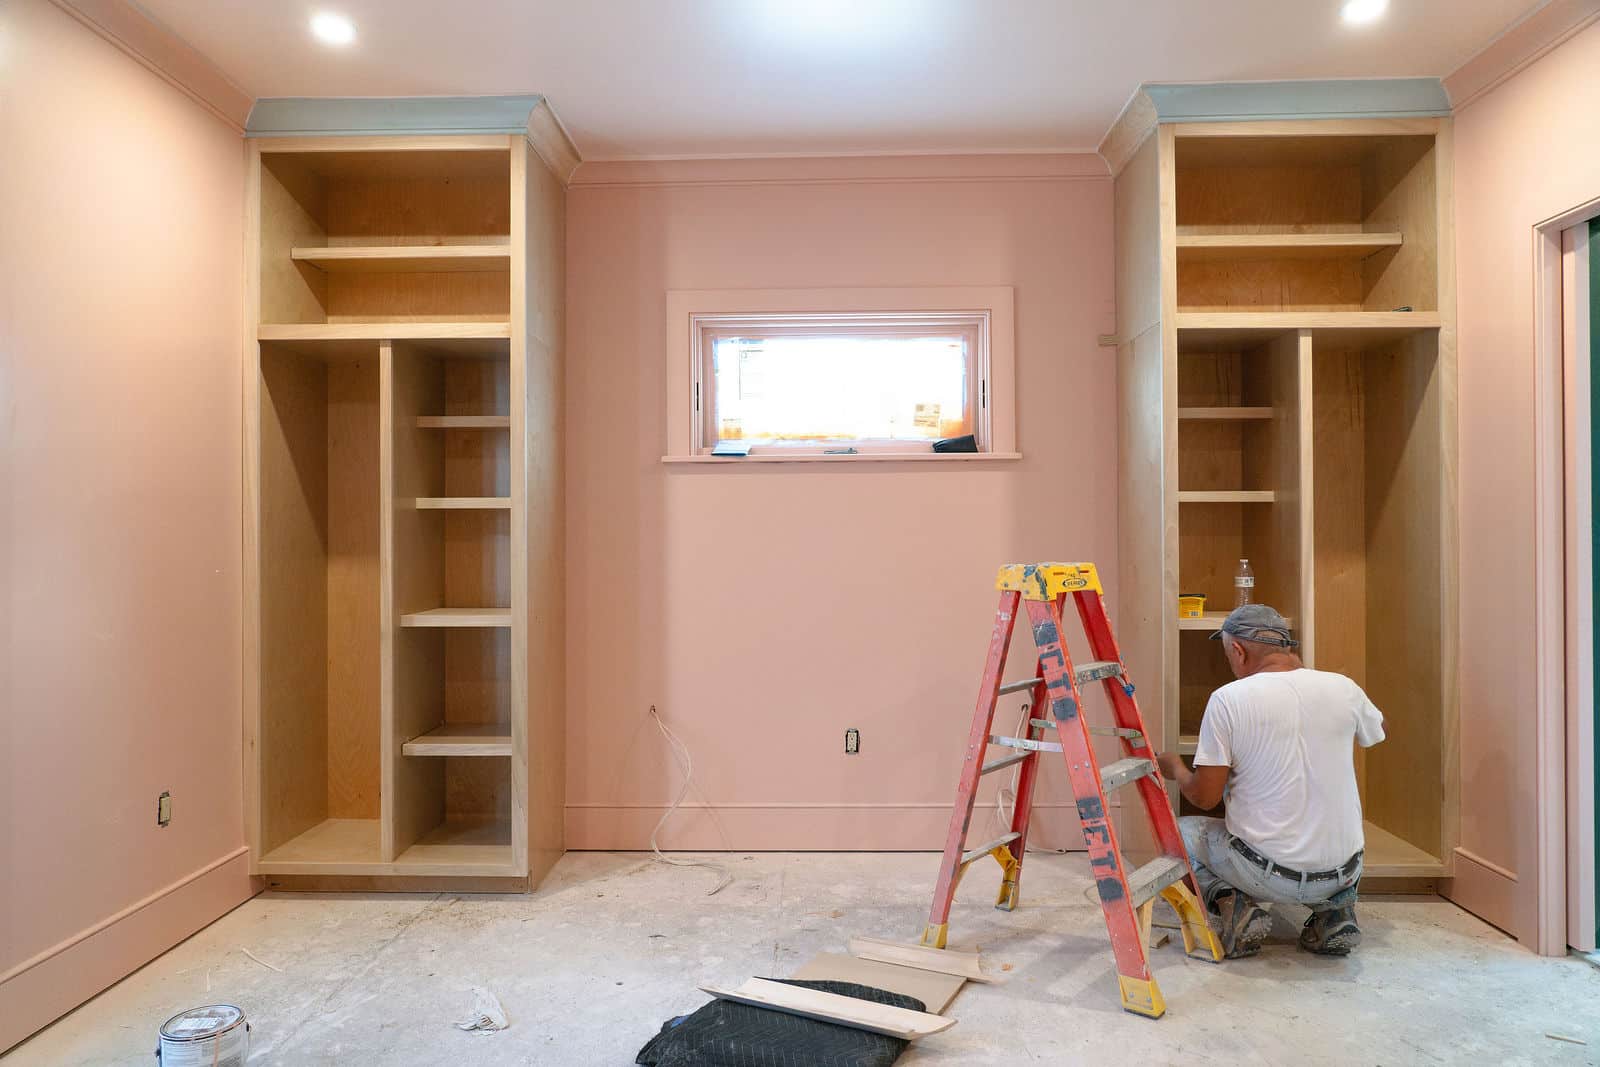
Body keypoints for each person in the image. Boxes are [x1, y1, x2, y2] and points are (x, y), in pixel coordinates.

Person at [1155, 603, 1385, 959]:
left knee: (1178, 832)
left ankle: (1236, 906)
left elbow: (1204, 797)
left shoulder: (1229, 699)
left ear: (1238, 650)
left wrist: (1176, 768)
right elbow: (1375, 733)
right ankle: (1333, 913)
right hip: (1344, 871)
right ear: (1287, 646)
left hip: (1266, 874)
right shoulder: (1345, 688)